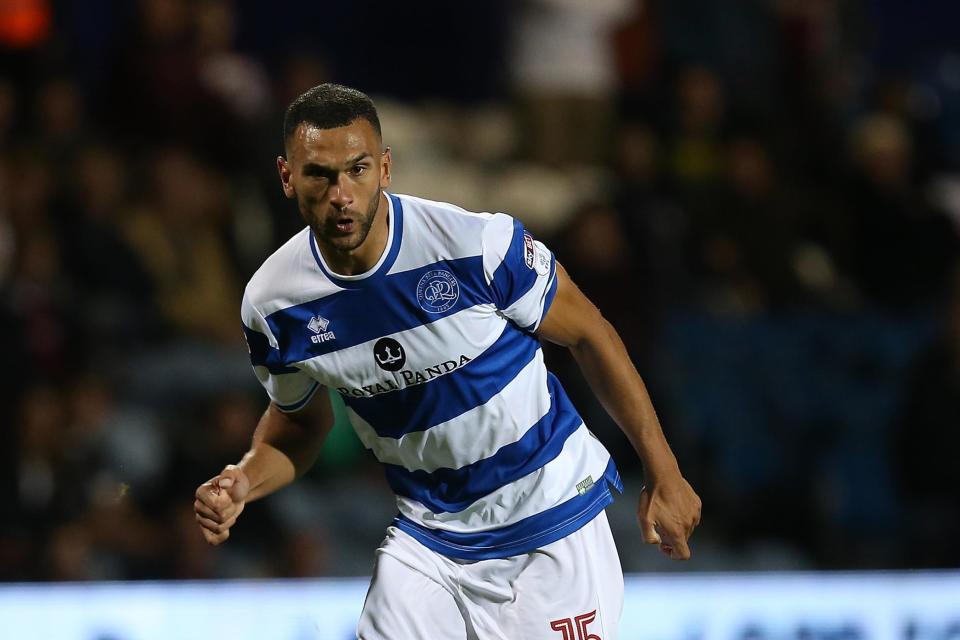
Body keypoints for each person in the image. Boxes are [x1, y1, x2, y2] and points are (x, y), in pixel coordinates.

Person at [193, 83, 701, 639]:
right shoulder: (275, 305)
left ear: (384, 168)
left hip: (549, 521)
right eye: (320, 174)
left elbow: (590, 335)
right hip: (429, 539)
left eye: (357, 170)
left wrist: (664, 470)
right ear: (288, 177)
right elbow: (298, 421)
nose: (341, 193)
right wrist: (244, 478)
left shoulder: (475, 244)